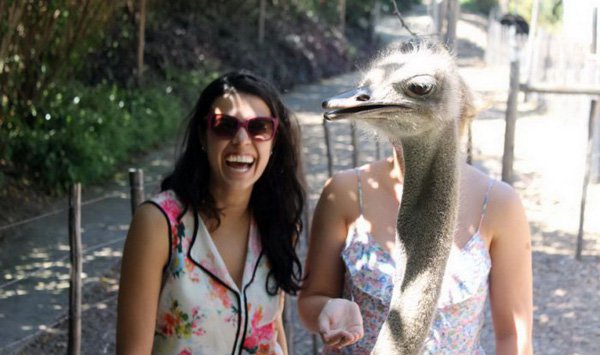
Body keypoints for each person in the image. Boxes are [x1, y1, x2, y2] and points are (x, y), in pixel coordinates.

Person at [297, 118, 533, 353]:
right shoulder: (345, 192)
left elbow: (514, 334)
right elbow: (311, 299)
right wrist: (327, 308)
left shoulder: (497, 202)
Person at [117, 70, 305, 354]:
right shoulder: (159, 224)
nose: (242, 140)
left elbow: (271, 329)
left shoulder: (277, 223)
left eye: (259, 127)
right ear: (203, 136)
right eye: (225, 125)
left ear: (274, 141)